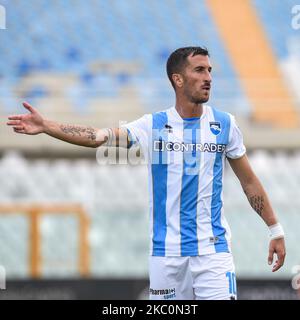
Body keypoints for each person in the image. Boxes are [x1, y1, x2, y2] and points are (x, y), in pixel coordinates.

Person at [7, 46, 286, 300]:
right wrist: (47, 125)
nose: (208, 77)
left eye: (210, 70)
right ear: (178, 79)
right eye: (199, 70)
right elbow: (97, 136)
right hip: (166, 256)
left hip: (213, 253)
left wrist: (275, 229)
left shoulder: (225, 124)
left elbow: (248, 182)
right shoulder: (153, 125)